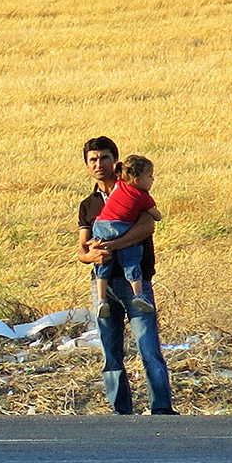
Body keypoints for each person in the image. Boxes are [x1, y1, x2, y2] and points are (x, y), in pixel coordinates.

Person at [77, 137, 176, 416]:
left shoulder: (132, 190)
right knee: (110, 353)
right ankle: (120, 414)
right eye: (93, 159)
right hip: (104, 284)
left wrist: (110, 245)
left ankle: (162, 409)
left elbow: (146, 228)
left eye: (104, 158)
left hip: (136, 283)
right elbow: (82, 250)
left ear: (116, 161)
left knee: (149, 348)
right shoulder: (88, 205)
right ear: (87, 165)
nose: (99, 164)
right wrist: (91, 256)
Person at [92, 155, 162, 318]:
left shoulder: (120, 184)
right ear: (137, 180)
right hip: (120, 228)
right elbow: (157, 216)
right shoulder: (143, 197)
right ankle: (138, 294)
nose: (152, 179)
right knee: (131, 259)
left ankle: (101, 300)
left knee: (103, 265)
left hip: (101, 225)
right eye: (150, 176)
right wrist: (153, 211)